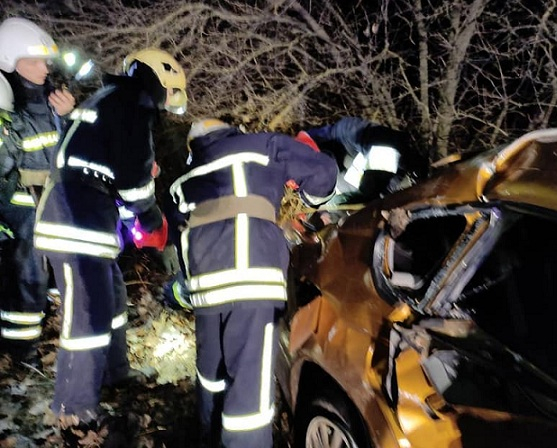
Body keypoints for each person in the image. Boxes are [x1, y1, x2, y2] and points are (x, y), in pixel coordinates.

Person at [32, 47, 187, 439]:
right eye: (169, 96)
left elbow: (113, 169)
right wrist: (152, 221)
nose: (166, 106)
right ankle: (73, 410)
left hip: (83, 215)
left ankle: (115, 373)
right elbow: (134, 181)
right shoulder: (133, 105)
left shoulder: (111, 99)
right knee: (88, 314)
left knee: (112, 297)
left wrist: (135, 209)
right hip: (75, 218)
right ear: (161, 82)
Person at [168, 118, 338, 447]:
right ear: (229, 131)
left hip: (205, 288)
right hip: (252, 278)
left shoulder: (182, 182)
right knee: (249, 391)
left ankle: (209, 436)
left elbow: (177, 237)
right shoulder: (262, 146)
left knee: (211, 374)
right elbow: (323, 171)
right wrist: (311, 201)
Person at [0, 17, 76, 365]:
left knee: (60, 275)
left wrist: (70, 117)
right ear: (9, 60)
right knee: (27, 279)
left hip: (54, 204)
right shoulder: (7, 106)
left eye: (46, 61)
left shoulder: (54, 101)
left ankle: (54, 333)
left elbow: (75, 150)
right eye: (35, 61)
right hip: (21, 210)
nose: (45, 68)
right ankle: (21, 353)